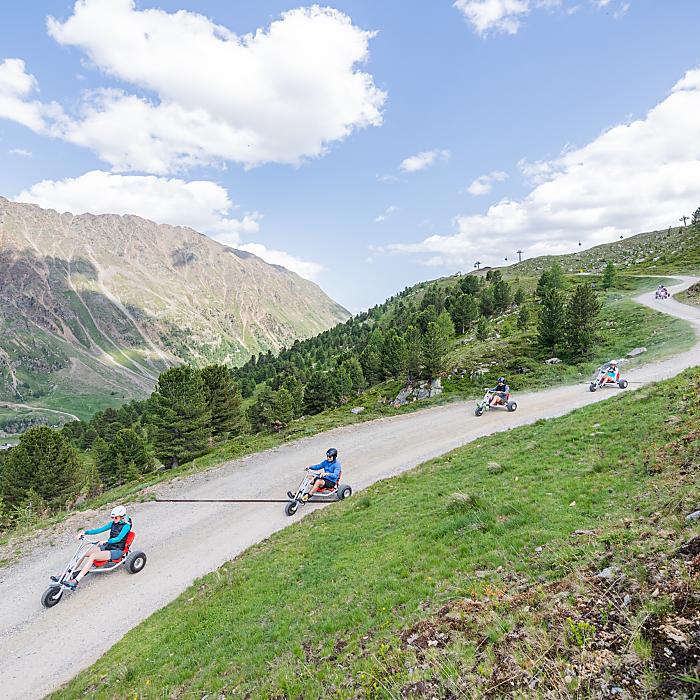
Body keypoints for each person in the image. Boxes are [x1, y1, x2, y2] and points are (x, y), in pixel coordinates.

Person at [53, 506, 132, 589]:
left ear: (122, 516)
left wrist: (106, 541)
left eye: (116, 517)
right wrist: (85, 532)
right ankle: (66, 574)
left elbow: (118, 539)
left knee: (93, 556)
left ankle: (75, 581)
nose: (114, 519)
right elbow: (99, 530)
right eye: (112, 517)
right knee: (83, 553)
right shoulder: (113, 523)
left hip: (117, 550)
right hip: (108, 546)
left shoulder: (126, 526)